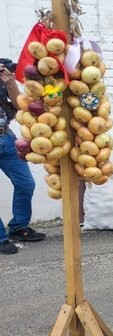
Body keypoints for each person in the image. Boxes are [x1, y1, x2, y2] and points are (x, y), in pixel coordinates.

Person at [0, 59, 46, 255]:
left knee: (26, 183)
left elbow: (19, 105)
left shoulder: (4, 82)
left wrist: (10, 83)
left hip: (7, 137)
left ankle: (19, 227)